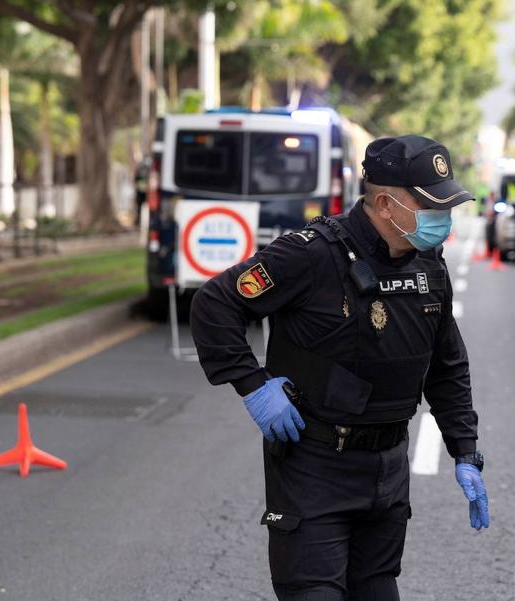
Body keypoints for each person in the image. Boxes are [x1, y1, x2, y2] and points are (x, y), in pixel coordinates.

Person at [190, 135, 489, 601]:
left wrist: (464, 449)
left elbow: (446, 363)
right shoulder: (310, 254)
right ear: (387, 204)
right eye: (432, 207)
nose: (444, 220)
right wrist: (253, 385)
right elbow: (215, 304)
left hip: (387, 472)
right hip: (315, 468)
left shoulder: (429, 263)